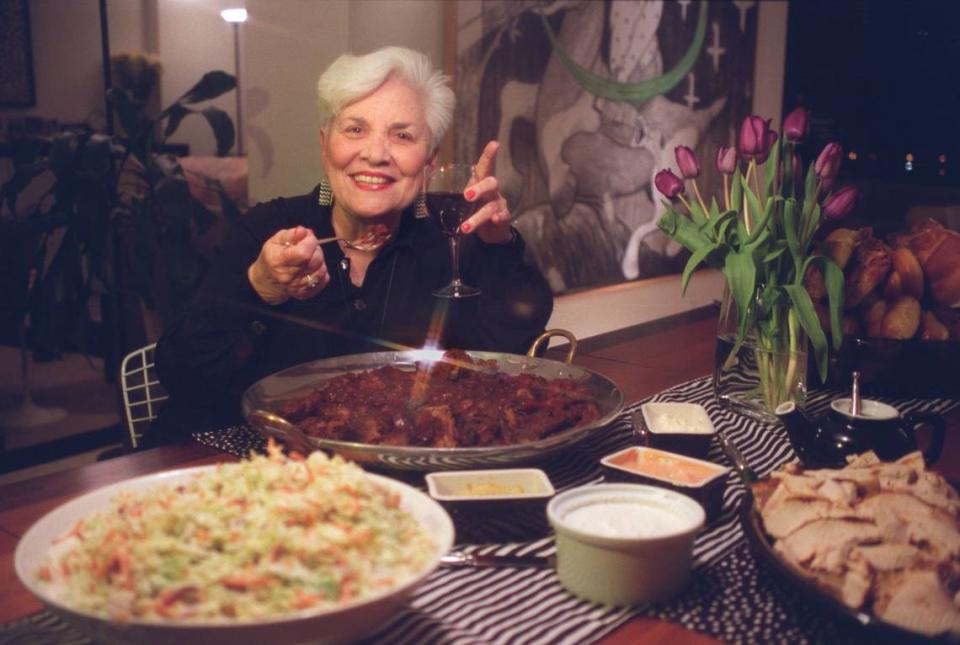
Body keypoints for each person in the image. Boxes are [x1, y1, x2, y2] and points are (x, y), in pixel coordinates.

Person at [150, 46, 553, 442]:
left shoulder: (447, 240)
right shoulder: (266, 230)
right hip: (250, 468)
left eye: (402, 135)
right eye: (355, 129)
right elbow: (182, 373)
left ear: (429, 162)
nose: (376, 154)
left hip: (398, 477)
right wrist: (258, 288)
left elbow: (509, 355)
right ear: (326, 146)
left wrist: (498, 242)